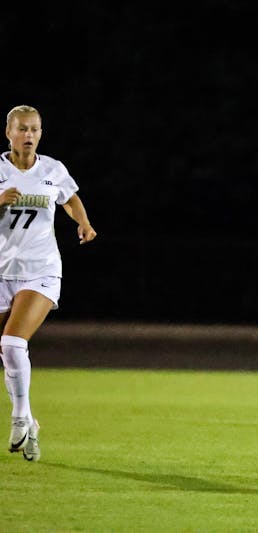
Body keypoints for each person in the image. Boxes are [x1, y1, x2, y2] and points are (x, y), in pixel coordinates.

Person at [0, 105, 97, 462]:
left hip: (41, 270)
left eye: (35, 129)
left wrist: (83, 222)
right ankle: (30, 422)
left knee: (12, 343)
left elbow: (69, 198)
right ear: (8, 132)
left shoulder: (52, 169)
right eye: (22, 128)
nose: (29, 135)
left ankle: (18, 419)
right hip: (2, 272)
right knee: (6, 352)